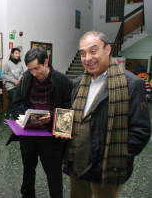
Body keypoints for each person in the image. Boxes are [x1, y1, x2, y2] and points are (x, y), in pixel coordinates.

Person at [63, 31, 151, 198]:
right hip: (78, 162)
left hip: (108, 168)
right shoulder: (77, 83)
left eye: (93, 51)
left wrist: (118, 155)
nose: (87, 58)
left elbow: (141, 131)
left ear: (107, 49)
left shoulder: (131, 84)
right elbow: (70, 116)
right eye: (82, 54)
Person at [13, 48, 73, 198]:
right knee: (28, 171)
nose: (34, 73)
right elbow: (18, 101)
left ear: (46, 62)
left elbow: (68, 107)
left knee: (54, 174)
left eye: (37, 68)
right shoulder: (27, 77)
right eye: (30, 69)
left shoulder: (62, 80)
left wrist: (52, 116)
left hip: (51, 137)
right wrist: (23, 115)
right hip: (29, 134)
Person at [2, 47, 26, 118]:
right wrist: (13, 81)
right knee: (15, 100)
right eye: (16, 53)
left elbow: (22, 73)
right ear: (12, 54)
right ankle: (15, 117)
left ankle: (7, 115)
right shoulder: (7, 64)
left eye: (18, 53)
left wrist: (19, 79)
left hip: (18, 85)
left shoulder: (20, 64)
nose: (18, 55)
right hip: (10, 86)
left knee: (12, 101)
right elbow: (3, 75)